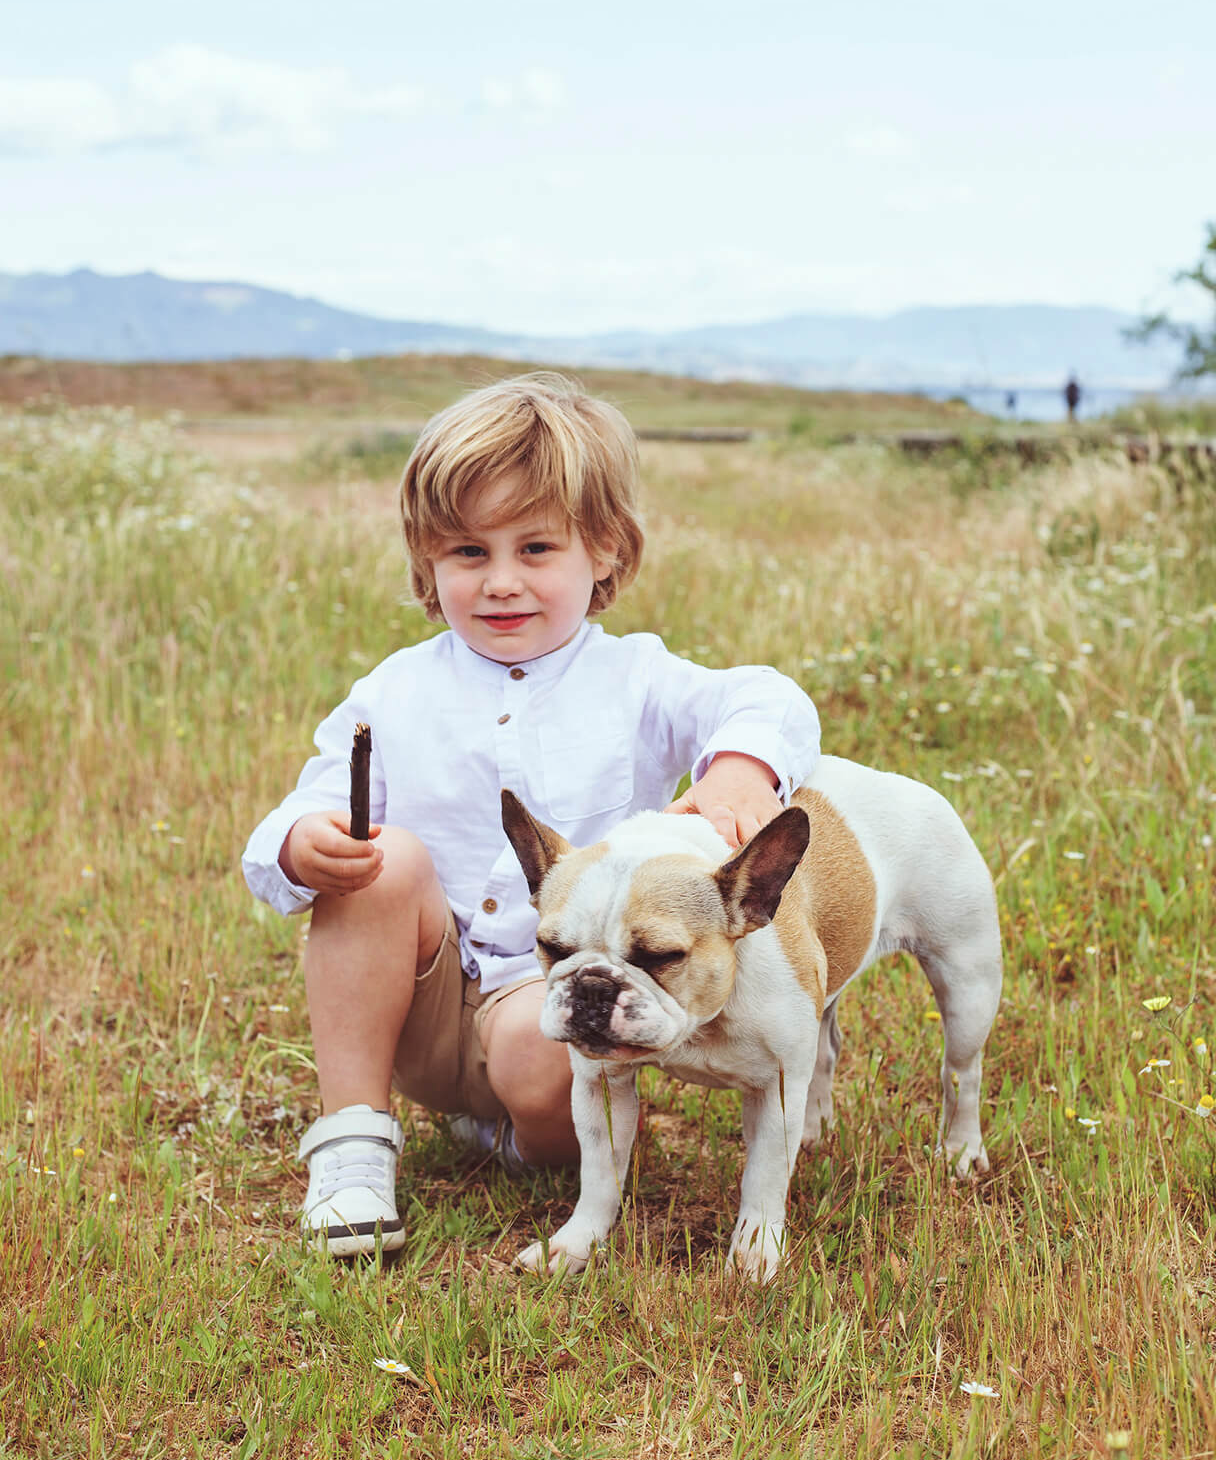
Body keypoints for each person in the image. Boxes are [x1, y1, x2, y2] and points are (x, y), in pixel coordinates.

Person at [242, 372, 821, 1256]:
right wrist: (299, 842)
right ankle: (353, 1143)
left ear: (606, 553)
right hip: (422, 996)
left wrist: (742, 769)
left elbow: (766, 697)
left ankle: (524, 1143)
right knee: (379, 858)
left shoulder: (638, 679)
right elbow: (317, 800)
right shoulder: (395, 690)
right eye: (468, 553)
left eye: (537, 549)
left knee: (541, 1065)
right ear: (427, 564)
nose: (502, 582)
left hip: (558, 1005)